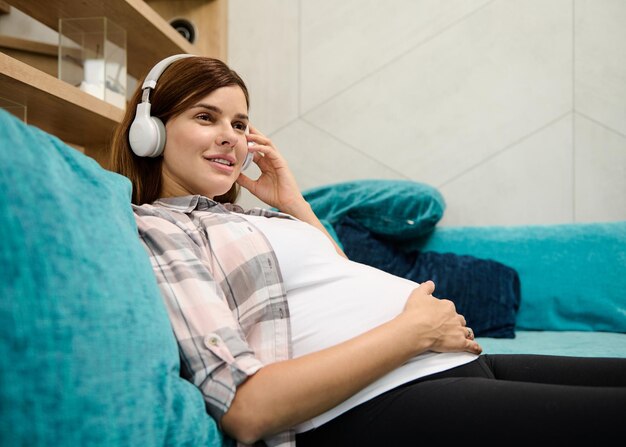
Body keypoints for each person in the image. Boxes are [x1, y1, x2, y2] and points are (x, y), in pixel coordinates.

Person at [109, 55, 626, 446]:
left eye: (240, 124)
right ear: (149, 132)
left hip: (443, 362)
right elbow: (246, 408)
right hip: (377, 402)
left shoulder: (249, 217)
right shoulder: (160, 227)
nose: (231, 138)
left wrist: (290, 199)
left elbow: (337, 277)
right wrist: (413, 331)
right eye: (207, 117)